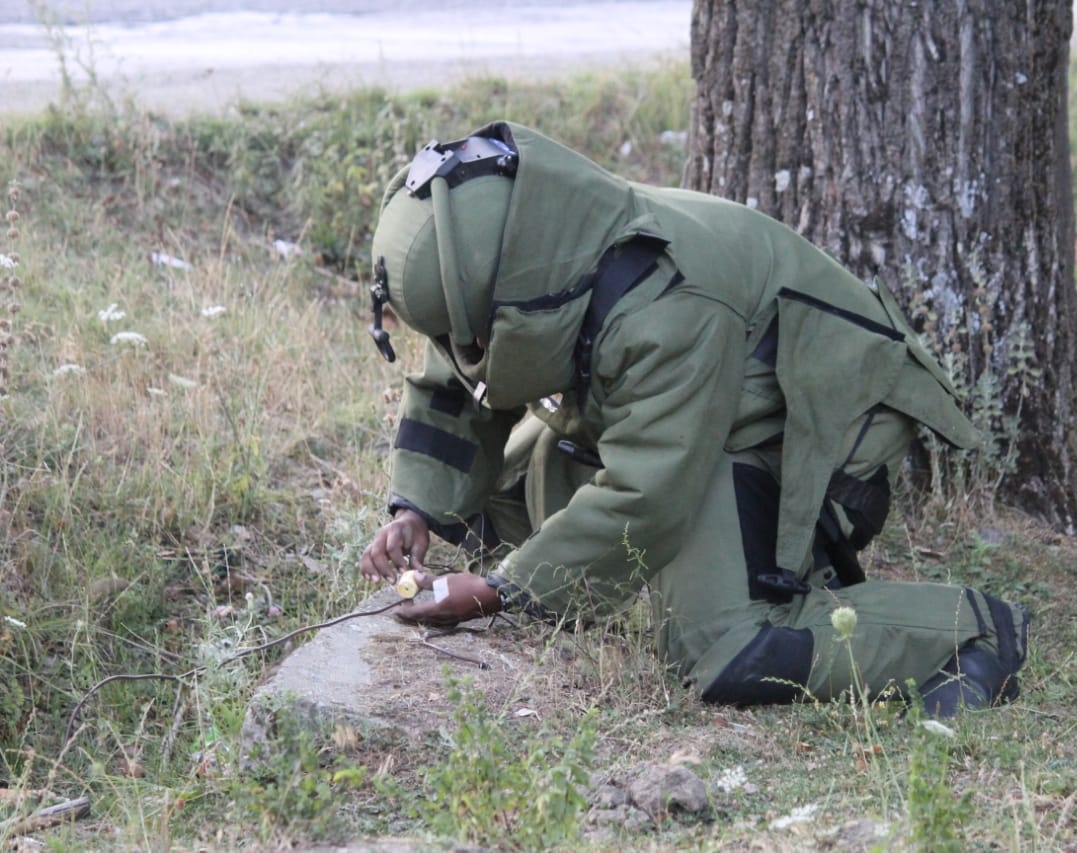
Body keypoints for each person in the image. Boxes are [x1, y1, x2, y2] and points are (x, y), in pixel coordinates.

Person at [356, 121, 1030, 716]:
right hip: (706, 402)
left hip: (817, 430)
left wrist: (505, 591)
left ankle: (966, 632)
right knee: (495, 499)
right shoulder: (529, 249)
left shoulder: (665, 302)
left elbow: (648, 491)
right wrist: (417, 508)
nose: (463, 346)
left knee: (721, 644)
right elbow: (461, 377)